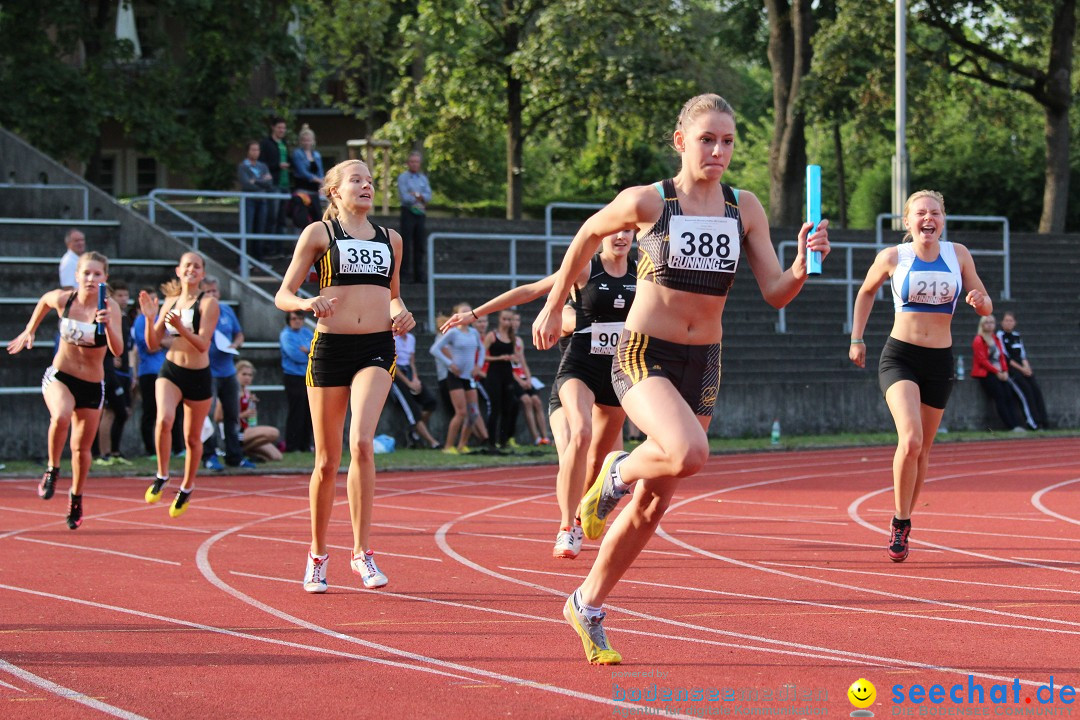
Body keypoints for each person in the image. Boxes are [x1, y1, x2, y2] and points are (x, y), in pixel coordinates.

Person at [530, 94, 830, 665]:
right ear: (681, 142)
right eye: (707, 140)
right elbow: (586, 237)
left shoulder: (744, 207)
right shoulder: (649, 200)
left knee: (651, 506)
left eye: (728, 141)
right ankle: (613, 472)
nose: (718, 151)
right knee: (691, 452)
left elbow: (774, 292)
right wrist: (550, 306)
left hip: (704, 362)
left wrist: (799, 265)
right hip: (644, 353)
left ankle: (586, 604)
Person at [441, 229, 636, 560]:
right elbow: (530, 290)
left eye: (628, 231)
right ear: (600, 236)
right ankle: (566, 528)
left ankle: (581, 514)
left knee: (600, 466)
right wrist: (475, 314)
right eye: (614, 230)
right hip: (579, 370)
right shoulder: (587, 268)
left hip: (618, 376)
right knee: (579, 434)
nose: (621, 236)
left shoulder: (641, 273)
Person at [274, 158, 415, 593]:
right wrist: (305, 304)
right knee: (326, 461)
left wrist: (402, 313)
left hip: (376, 348)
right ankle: (317, 555)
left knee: (361, 442)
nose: (366, 185)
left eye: (370, 180)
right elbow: (283, 293)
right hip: (330, 348)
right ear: (335, 191)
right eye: (356, 179)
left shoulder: (392, 238)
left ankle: (362, 553)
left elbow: (391, 296)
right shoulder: (320, 233)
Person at [850, 189, 992, 564]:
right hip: (900, 357)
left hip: (940, 361)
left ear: (942, 220)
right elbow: (865, 292)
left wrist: (980, 302)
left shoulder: (957, 254)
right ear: (907, 221)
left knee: (925, 448)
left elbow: (986, 301)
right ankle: (900, 522)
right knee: (910, 439)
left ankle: (906, 517)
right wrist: (857, 338)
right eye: (921, 213)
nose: (928, 219)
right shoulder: (894, 257)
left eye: (935, 213)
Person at [7, 251, 123, 529]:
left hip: (92, 385)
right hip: (61, 376)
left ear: (105, 278)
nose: (91, 279)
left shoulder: (111, 308)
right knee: (61, 415)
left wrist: (107, 325)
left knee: (81, 449)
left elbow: (117, 350)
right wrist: (29, 330)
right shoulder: (65, 299)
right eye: (86, 273)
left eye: (97, 274)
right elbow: (45, 301)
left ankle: (76, 497)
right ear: (77, 275)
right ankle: (52, 468)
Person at [138, 252, 221, 519]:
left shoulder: (208, 303)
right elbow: (152, 344)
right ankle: (162, 474)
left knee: (192, 438)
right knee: (164, 420)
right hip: (171, 369)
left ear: (202, 272)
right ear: (178, 270)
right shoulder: (170, 302)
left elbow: (203, 344)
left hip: (198, 374)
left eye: (197, 266)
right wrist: (150, 318)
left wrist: (181, 327)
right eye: (187, 265)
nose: (191, 270)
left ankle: (186, 486)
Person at [199, 276, 254, 470]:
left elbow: (239, 333)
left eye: (214, 291)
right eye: (207, 292)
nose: (212, 295)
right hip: (208, 371)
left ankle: (234, 456)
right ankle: (209, 455)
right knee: (208, 416)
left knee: (233, 415)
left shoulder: (227, 310)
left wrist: (236, 344)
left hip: (228, 370)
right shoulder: (198, 312)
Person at [431, 303, 489, 454]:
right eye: (463, 312)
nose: (466, 314)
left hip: (468, 377)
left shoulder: (474, 333)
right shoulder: (452, 333)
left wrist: (479, 365)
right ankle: (448, 446)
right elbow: (435, 349)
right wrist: (450, 364)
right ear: (456, 315)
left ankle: (462, 445)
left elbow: (481, 349)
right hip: (455, 377)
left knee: (474, 413)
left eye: (468, 311)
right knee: (461, 412)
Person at [132, 286, 183, 457]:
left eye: (155, 300)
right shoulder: (141, 321)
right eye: (149, 300)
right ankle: (150, 450)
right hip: (149, 372)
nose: (153, 303)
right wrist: (162, 340)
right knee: (151, 411)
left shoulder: (163, 319)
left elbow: (176, 341)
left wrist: (160, 339)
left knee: (173, 411)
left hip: (167, 370)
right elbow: (150, 346)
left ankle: (178, 448)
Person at [95, 280, 134, 465]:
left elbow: (127, 346)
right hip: (108, 370)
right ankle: (103, 454)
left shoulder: (123, 317)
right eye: (117, 295)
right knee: (108, 412)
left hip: (123, 371)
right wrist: (110, 354)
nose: (122, 299)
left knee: (122, 411)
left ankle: (114, 451)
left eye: (125, 295)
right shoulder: (101, 315)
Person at [971, 315, 1027, 431]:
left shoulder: (995, 338)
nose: (990, 325)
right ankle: (1010, 425)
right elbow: (982, 360)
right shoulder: (979, 340)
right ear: (982, 324)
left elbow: (1002, 356)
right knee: (1000, 396)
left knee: (1009, 395)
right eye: (987, 322)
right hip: (987, 373)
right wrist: (997, 372)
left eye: (992, 322)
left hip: (1000, 372)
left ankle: (1017, 424)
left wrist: (1005, 370)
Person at [389, 329, 442, 449]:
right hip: (396, 376)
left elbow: (411, 362)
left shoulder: (411, 338)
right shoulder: (391, 338)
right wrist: (408, 383)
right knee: (413, 411)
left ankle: (415, 432)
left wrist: (415, 379)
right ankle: (433, 442)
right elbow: (393, 365)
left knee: (431, 402)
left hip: (408, 372)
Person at [997, 311, 1048, 430]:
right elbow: (1006, 357)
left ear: (1015, 323)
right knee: (1026, 392)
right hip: (1012, 369)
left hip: (1022, 367)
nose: (1008, 323)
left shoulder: (1017, 336)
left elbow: (1023, 355)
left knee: (1036, 390)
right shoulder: (1000, 336)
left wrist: (1027, 368)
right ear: (1002, 322)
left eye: (1011, 321)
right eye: (1006, 320)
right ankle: (1033, 422)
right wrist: (1021, 369)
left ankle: (1043, 421)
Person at [509, 311, 552, 447]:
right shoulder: (502, 339)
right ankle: (536, 438)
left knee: (537, 401)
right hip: (513, 379)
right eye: (512, 320)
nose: (515, 323)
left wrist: (527, 379)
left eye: (517, 320)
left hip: (523, 377)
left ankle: (545, 437)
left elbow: (523, 362)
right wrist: (520, 381)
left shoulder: (519, 340)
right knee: (527, 401)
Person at [481, 310, 519, 449]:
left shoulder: (511, 337)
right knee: (495, 408)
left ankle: (503, 441)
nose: (507, 322)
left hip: (507, 374)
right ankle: (492, 441)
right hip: (494, 374)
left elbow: (515, 356)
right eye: (504, 319)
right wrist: (499, 358)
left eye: (509, 319)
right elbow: (482, 356)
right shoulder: (492, 335)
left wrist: (513, 358)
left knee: (508, 407)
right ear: (499, 319)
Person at [231, 360, 283, 462]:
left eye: (250, 375)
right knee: (273, 433)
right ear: (236, 375)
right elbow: (217, 417)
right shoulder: (230, 392)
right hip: (235, 431)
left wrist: (251, 410)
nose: (247, 377)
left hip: (247, 430)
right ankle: (235, 451)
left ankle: (245, 453)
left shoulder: (247, 392)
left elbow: (250, 417)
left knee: (276, 457)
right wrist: (242, 415)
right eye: (244, 374)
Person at [279, 310, 314, 453]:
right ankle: (292, 445)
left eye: (299, 318)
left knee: (308, 412)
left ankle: (305, 445)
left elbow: (317, 350)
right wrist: (309, 353)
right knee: (296, 412)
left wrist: (307, 351)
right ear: (289, 320)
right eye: (294, 318)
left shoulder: (306, 333)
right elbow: (295, 356)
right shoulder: (286, 335)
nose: (297, 321)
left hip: (307, 376)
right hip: (293, 377)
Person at [396, 151, 431, 283]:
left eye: (417, 162)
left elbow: (428, 196)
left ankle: (419, 275)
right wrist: (419, 197)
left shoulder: (423, 178)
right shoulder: (403, 178)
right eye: (412, 161)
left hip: (420, 213)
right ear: (408, 163)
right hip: (408, 212)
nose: (415, 164)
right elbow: (405, 197)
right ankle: (404, 274)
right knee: (406, 244)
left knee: (420, 245)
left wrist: (417, 195)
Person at [258, 116, 291, 237]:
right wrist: (277, 166)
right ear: (273, 128)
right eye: (279, 127)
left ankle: (280, 248)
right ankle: (270, 248)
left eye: (284, 128)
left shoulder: (284, 143)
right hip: (273, 184)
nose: (282, 130)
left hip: (285, 183)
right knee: (272, 216)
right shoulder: (266, 143)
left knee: (282, 217)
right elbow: (262, 163)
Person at [236, 139, 273, 242]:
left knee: (260, 229)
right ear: (248, 151)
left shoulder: (263, 166)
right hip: (249, 200)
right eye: (253, 150)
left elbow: (269, 184)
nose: (256, 152)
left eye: (257, 150)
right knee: (247, 228)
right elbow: (246, 184)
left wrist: (255, 181)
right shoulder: (242, 166)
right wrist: (262, 181)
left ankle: (258, 255)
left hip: (262, 199)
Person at [290, 124, 325, 227]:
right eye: (304, 140)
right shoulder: (297, 154)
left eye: (309, 140)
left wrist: (322, 184)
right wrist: (318, 180)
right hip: (302, 191)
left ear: (313, 141)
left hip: (314, 192)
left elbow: (320, 172)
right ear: (301, 141)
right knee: (302, 219)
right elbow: (302, 172)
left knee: (318, 218)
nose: (307, 142)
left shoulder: (317, 155)